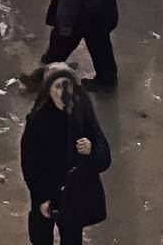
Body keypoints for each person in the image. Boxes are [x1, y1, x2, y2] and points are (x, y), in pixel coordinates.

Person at [20, 61, 111, 245]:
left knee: (71, 237)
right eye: (57, 86)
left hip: (72, 194)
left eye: (67, 85)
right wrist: (42, 197)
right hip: (47, 189)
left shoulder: (81, 109)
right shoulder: (38, 120)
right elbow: (30, 164)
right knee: (41, 236)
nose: (63, 91)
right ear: (48, 90)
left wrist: (91, 150)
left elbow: (104, 155)